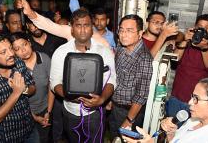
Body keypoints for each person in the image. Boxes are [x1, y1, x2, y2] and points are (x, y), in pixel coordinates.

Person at [50, 8, 117, 143]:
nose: (82, 30)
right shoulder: (61, 52)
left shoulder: (104, 51)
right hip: (71, 111)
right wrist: (70, 96)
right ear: (72, 29)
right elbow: (54, 82)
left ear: (92, 28)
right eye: (78, 25)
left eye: (86, 25)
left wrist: (102, 99)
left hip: (95, 112)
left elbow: (112, 80)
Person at [123, 77, 208, 143]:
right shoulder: (196, 120)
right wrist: (171, 134)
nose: (190, 102)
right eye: (192, 96)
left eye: (196, 99)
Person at [166, 14, 208, 117]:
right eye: (200, 27)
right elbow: (174, 60)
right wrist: (185, 41)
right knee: (170, 128)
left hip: (199, 102)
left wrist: (204, 48)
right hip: (177, 97)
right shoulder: (186, 46)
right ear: (195, 28)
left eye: (207, 28)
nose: (203, 31)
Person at [109, 14, 153, 138]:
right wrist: (110, 99)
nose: (123, 34)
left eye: (129, 31)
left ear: (140, 33)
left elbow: (141, 95)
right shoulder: (121, 47)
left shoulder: (143, 58)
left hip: (129, 111)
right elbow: (117, 75)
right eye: (121, 30)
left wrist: (129, 120)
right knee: (114, 137)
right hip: (115, 105)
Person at [9, 32, 54, 143]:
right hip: (24, 113)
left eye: (24, 44)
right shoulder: (13, 68)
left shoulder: (44, 58)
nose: (23, 50)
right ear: (13, 52)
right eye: (17, 49)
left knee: (45, 139)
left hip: (45, 109)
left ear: (29, 43)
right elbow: (16, 97)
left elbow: (51, 85)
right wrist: (34, 117)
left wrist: (48, 111)